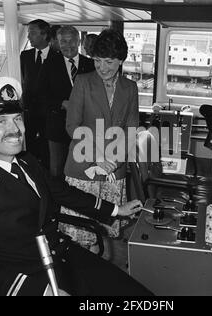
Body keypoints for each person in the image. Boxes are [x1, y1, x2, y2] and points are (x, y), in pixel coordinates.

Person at [0, 77, 153, 296]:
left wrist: (116, 210)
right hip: (23, 278)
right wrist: (39, 293)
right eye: (1, 122)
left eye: (17, 119)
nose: (15, 129)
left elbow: (62, 192)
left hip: (59, 254)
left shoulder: (26, 161)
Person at [62, 29, 139, 257]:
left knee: (103, 229)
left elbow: (131, 130)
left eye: (109, 61)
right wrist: (98, 156)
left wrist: (115, 161)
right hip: (83, 167)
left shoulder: (130, 88)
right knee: (81, 233)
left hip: (114, 170)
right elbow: (72, 126)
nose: (102, 67)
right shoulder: (83, 82)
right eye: (97, 60)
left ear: (121, 60)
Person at [44, 26, 95, 177]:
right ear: (58, 43)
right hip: (57, 128)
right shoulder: (49, 65)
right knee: (57, 170)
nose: (68, 45)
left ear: (79, 41)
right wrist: (61, 103)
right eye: (63, 41)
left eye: (71, 41)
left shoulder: (91, 65)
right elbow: (40, 95)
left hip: (86, 129)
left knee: (84, 169)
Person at [21, 20, 53, 169]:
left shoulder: (57, 56)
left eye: (32, 33)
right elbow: (23, 81)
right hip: (29, 112)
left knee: (48, 151)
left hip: (49, 113)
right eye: (28, 33)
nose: (28, 36)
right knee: (29, 148)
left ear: (44, 34)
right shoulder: (25, 56)